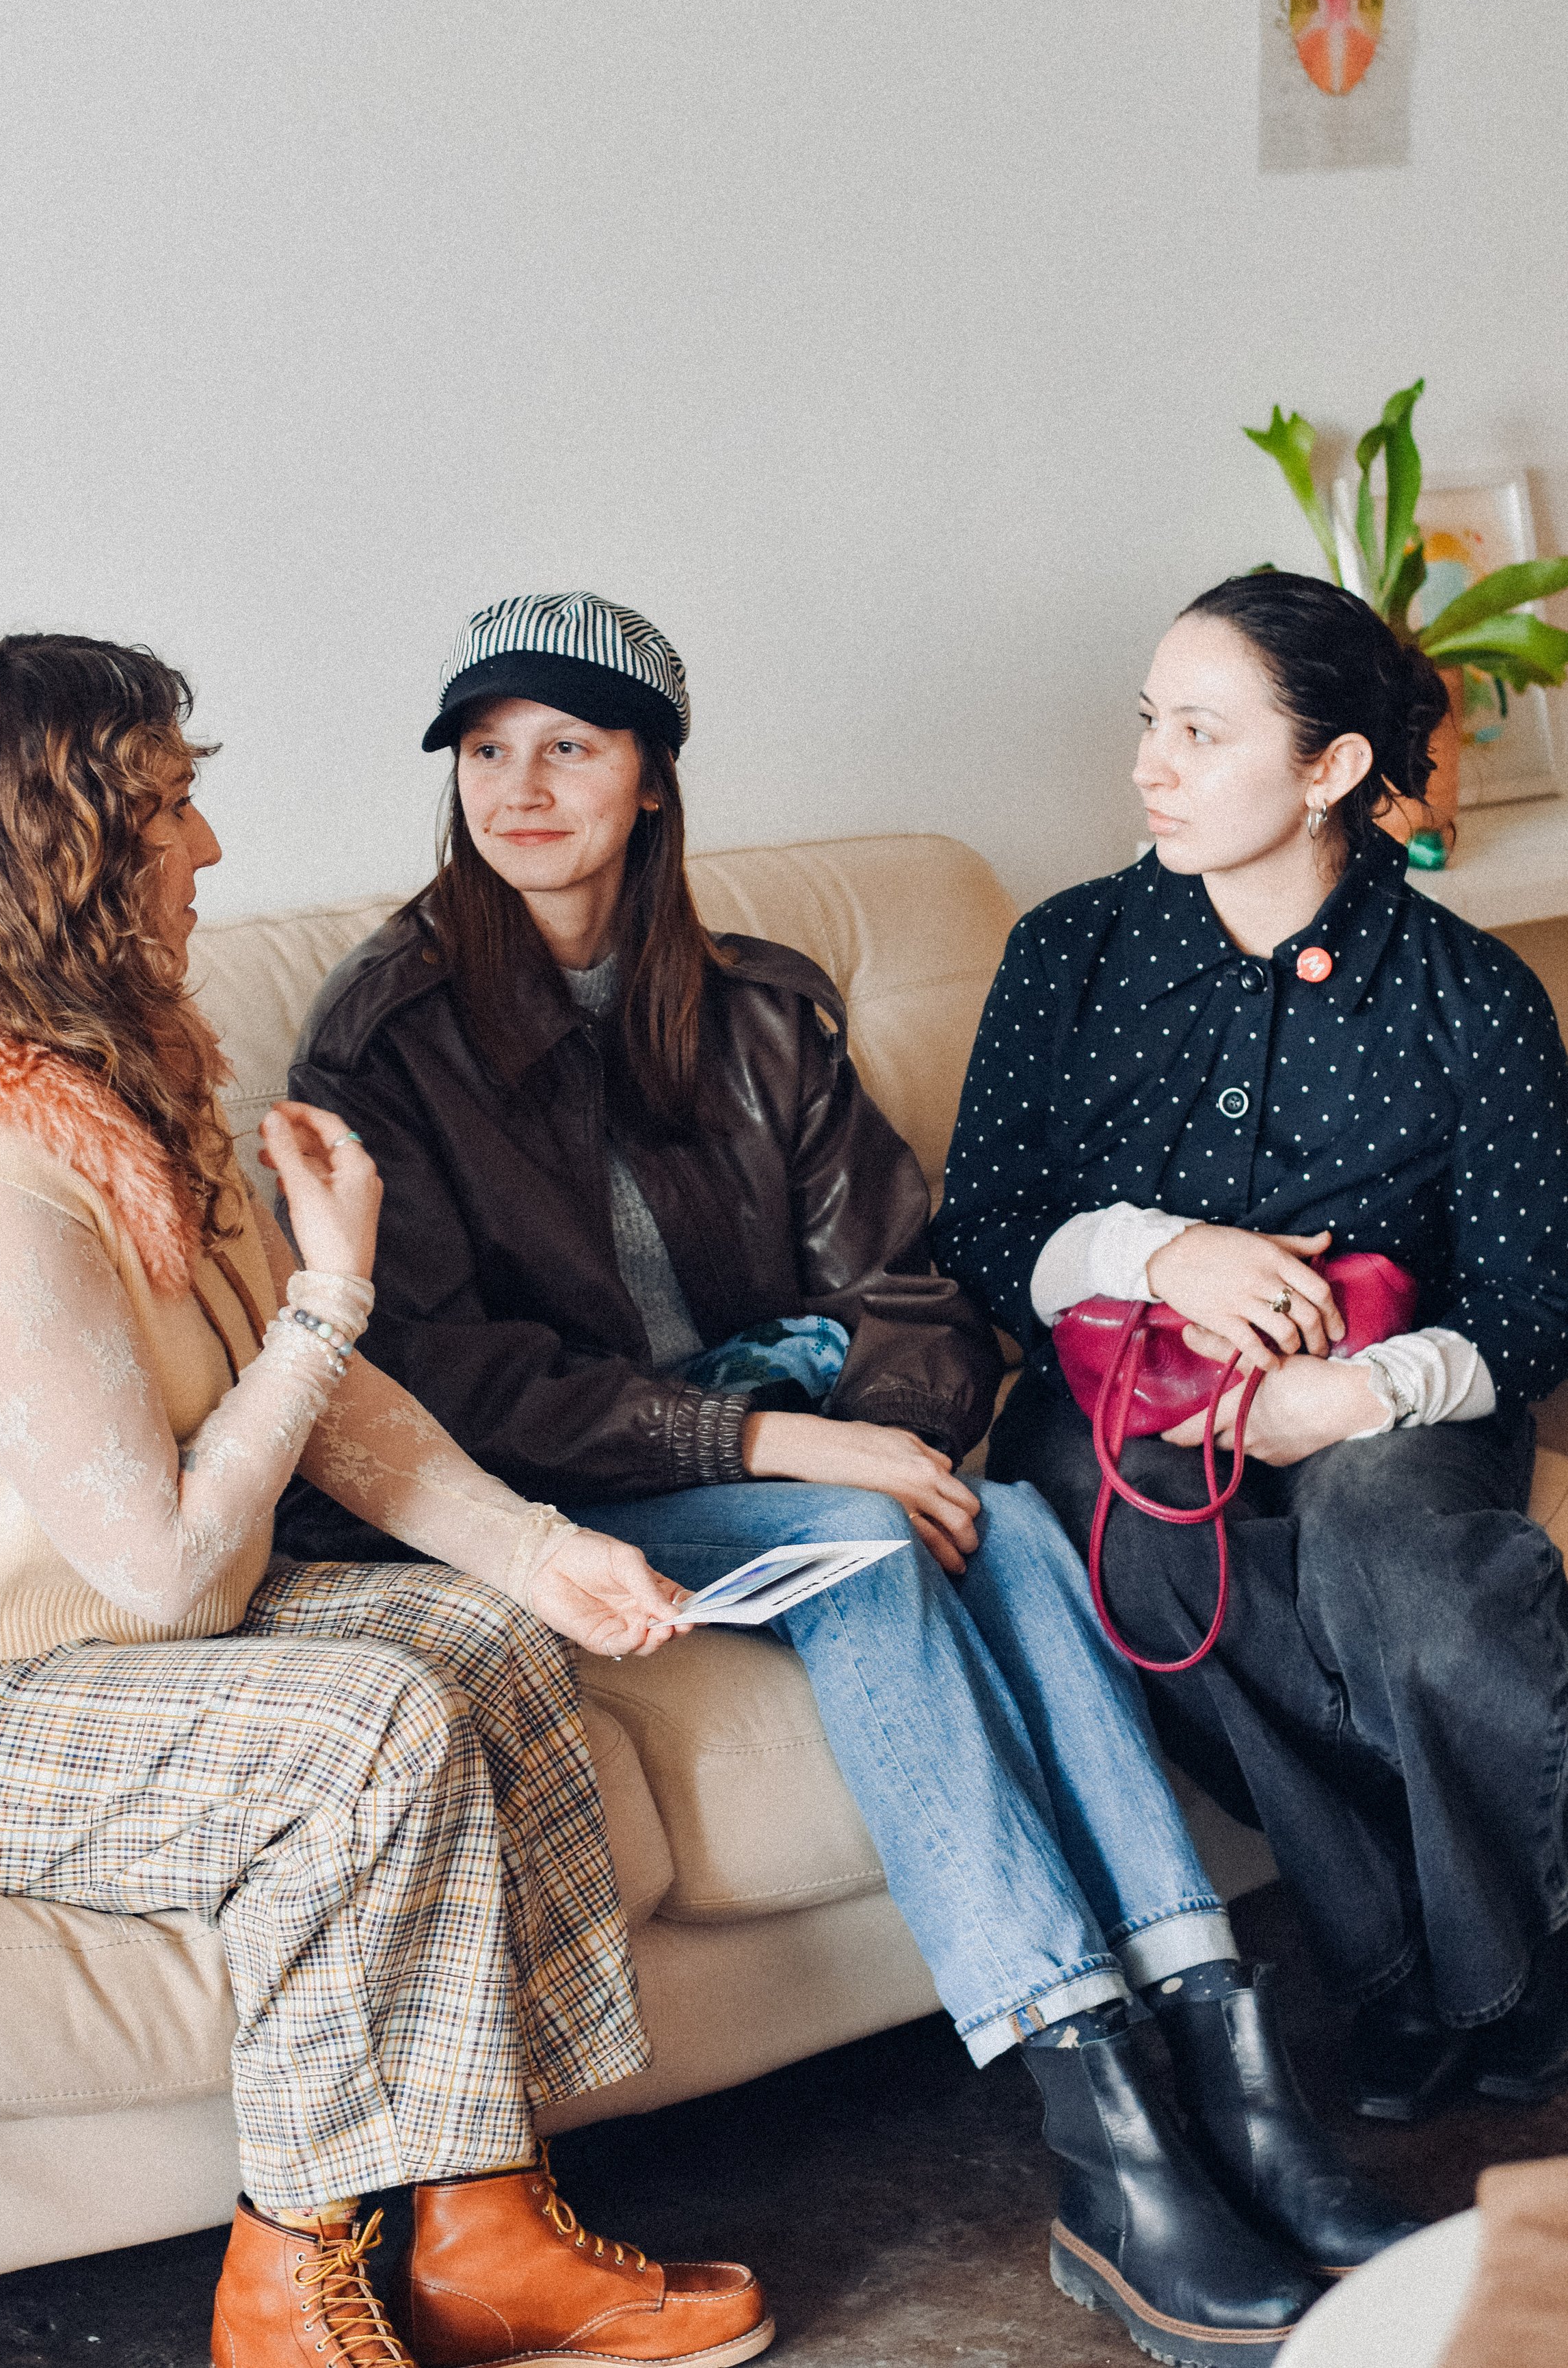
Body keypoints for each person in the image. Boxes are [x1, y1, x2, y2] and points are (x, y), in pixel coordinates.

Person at [287, 589, 1416, 2368]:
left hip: (801, 1431)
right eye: (484, 749)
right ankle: (1101, 2141)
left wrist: (892, 1426)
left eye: (567, 744)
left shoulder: (755, 1005)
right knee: (859, 1549)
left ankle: (1223, 2066)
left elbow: (908, 1271)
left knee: (1019, 1518)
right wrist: (781, 1442)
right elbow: (440, 1376)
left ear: (649, 775)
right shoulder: (388, 1035)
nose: (520, 783)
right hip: (569, 1473)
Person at [0, 635, 776, 2368]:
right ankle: (284, 2280)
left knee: (478, 1641)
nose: (207, 850)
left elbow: (309, 1404)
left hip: (79, 1628)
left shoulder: (110, 1064)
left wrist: (541, 1551)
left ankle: (482, 2228)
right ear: (66, 840)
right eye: (174, 808)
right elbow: (178, 1580)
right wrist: (328, 1287)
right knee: (354, 1729)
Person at [935, 568, 1568, 2136]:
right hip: (1118, 1402)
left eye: (1200, 732)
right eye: (1149, 723)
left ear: (1329, 769)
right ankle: (1390, 1968)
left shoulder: (1467, 999)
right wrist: (1160, 1251)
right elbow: (982, 1235)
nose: (1148, 764)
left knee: (1401, 1563)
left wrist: (1344, 1394)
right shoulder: (1066, 952)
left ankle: (1497, 1981)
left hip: (1393, 1399)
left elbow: (1526, 1310)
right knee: (1128, 1542)